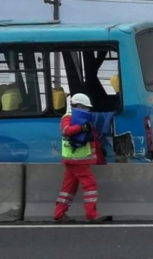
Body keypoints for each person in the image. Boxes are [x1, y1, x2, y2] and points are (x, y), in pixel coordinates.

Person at [53, 93, 107, 223]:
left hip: (73, 159)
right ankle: (91, 214)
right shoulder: (69, 117)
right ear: (78, 105)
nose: (87, 110)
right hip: (77, 159)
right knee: (89, 184)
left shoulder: (77, 117)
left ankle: (59, 214)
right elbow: (66, 130)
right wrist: (81, 128)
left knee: (68, 187)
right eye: (85, 107)